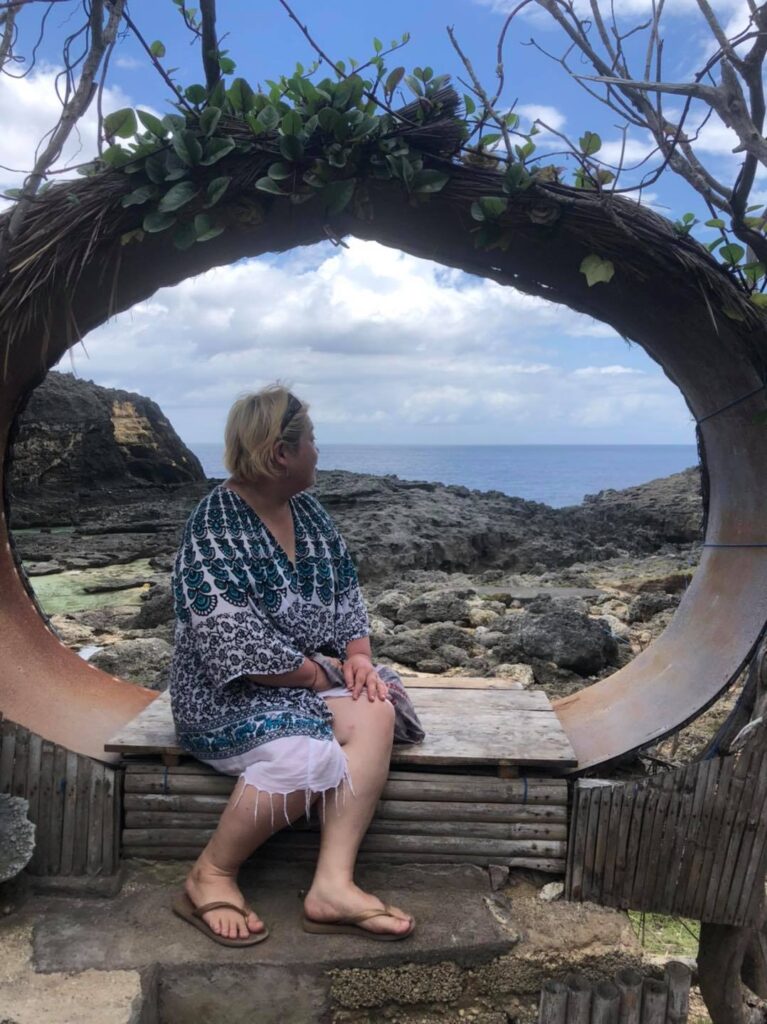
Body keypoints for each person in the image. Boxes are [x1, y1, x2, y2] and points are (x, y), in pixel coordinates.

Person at [168, 384, 415, 946]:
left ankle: (332, 886)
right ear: (282, 453)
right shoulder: (213, 528)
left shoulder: (309, 513)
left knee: (375, 707)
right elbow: (235, 647)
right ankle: (210, 874)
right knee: (309, 758)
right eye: (312, 441)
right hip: (226, 696)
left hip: (301, 682)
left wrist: (358, 658)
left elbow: (346, 593)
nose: (318, 452)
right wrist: (324, 674)